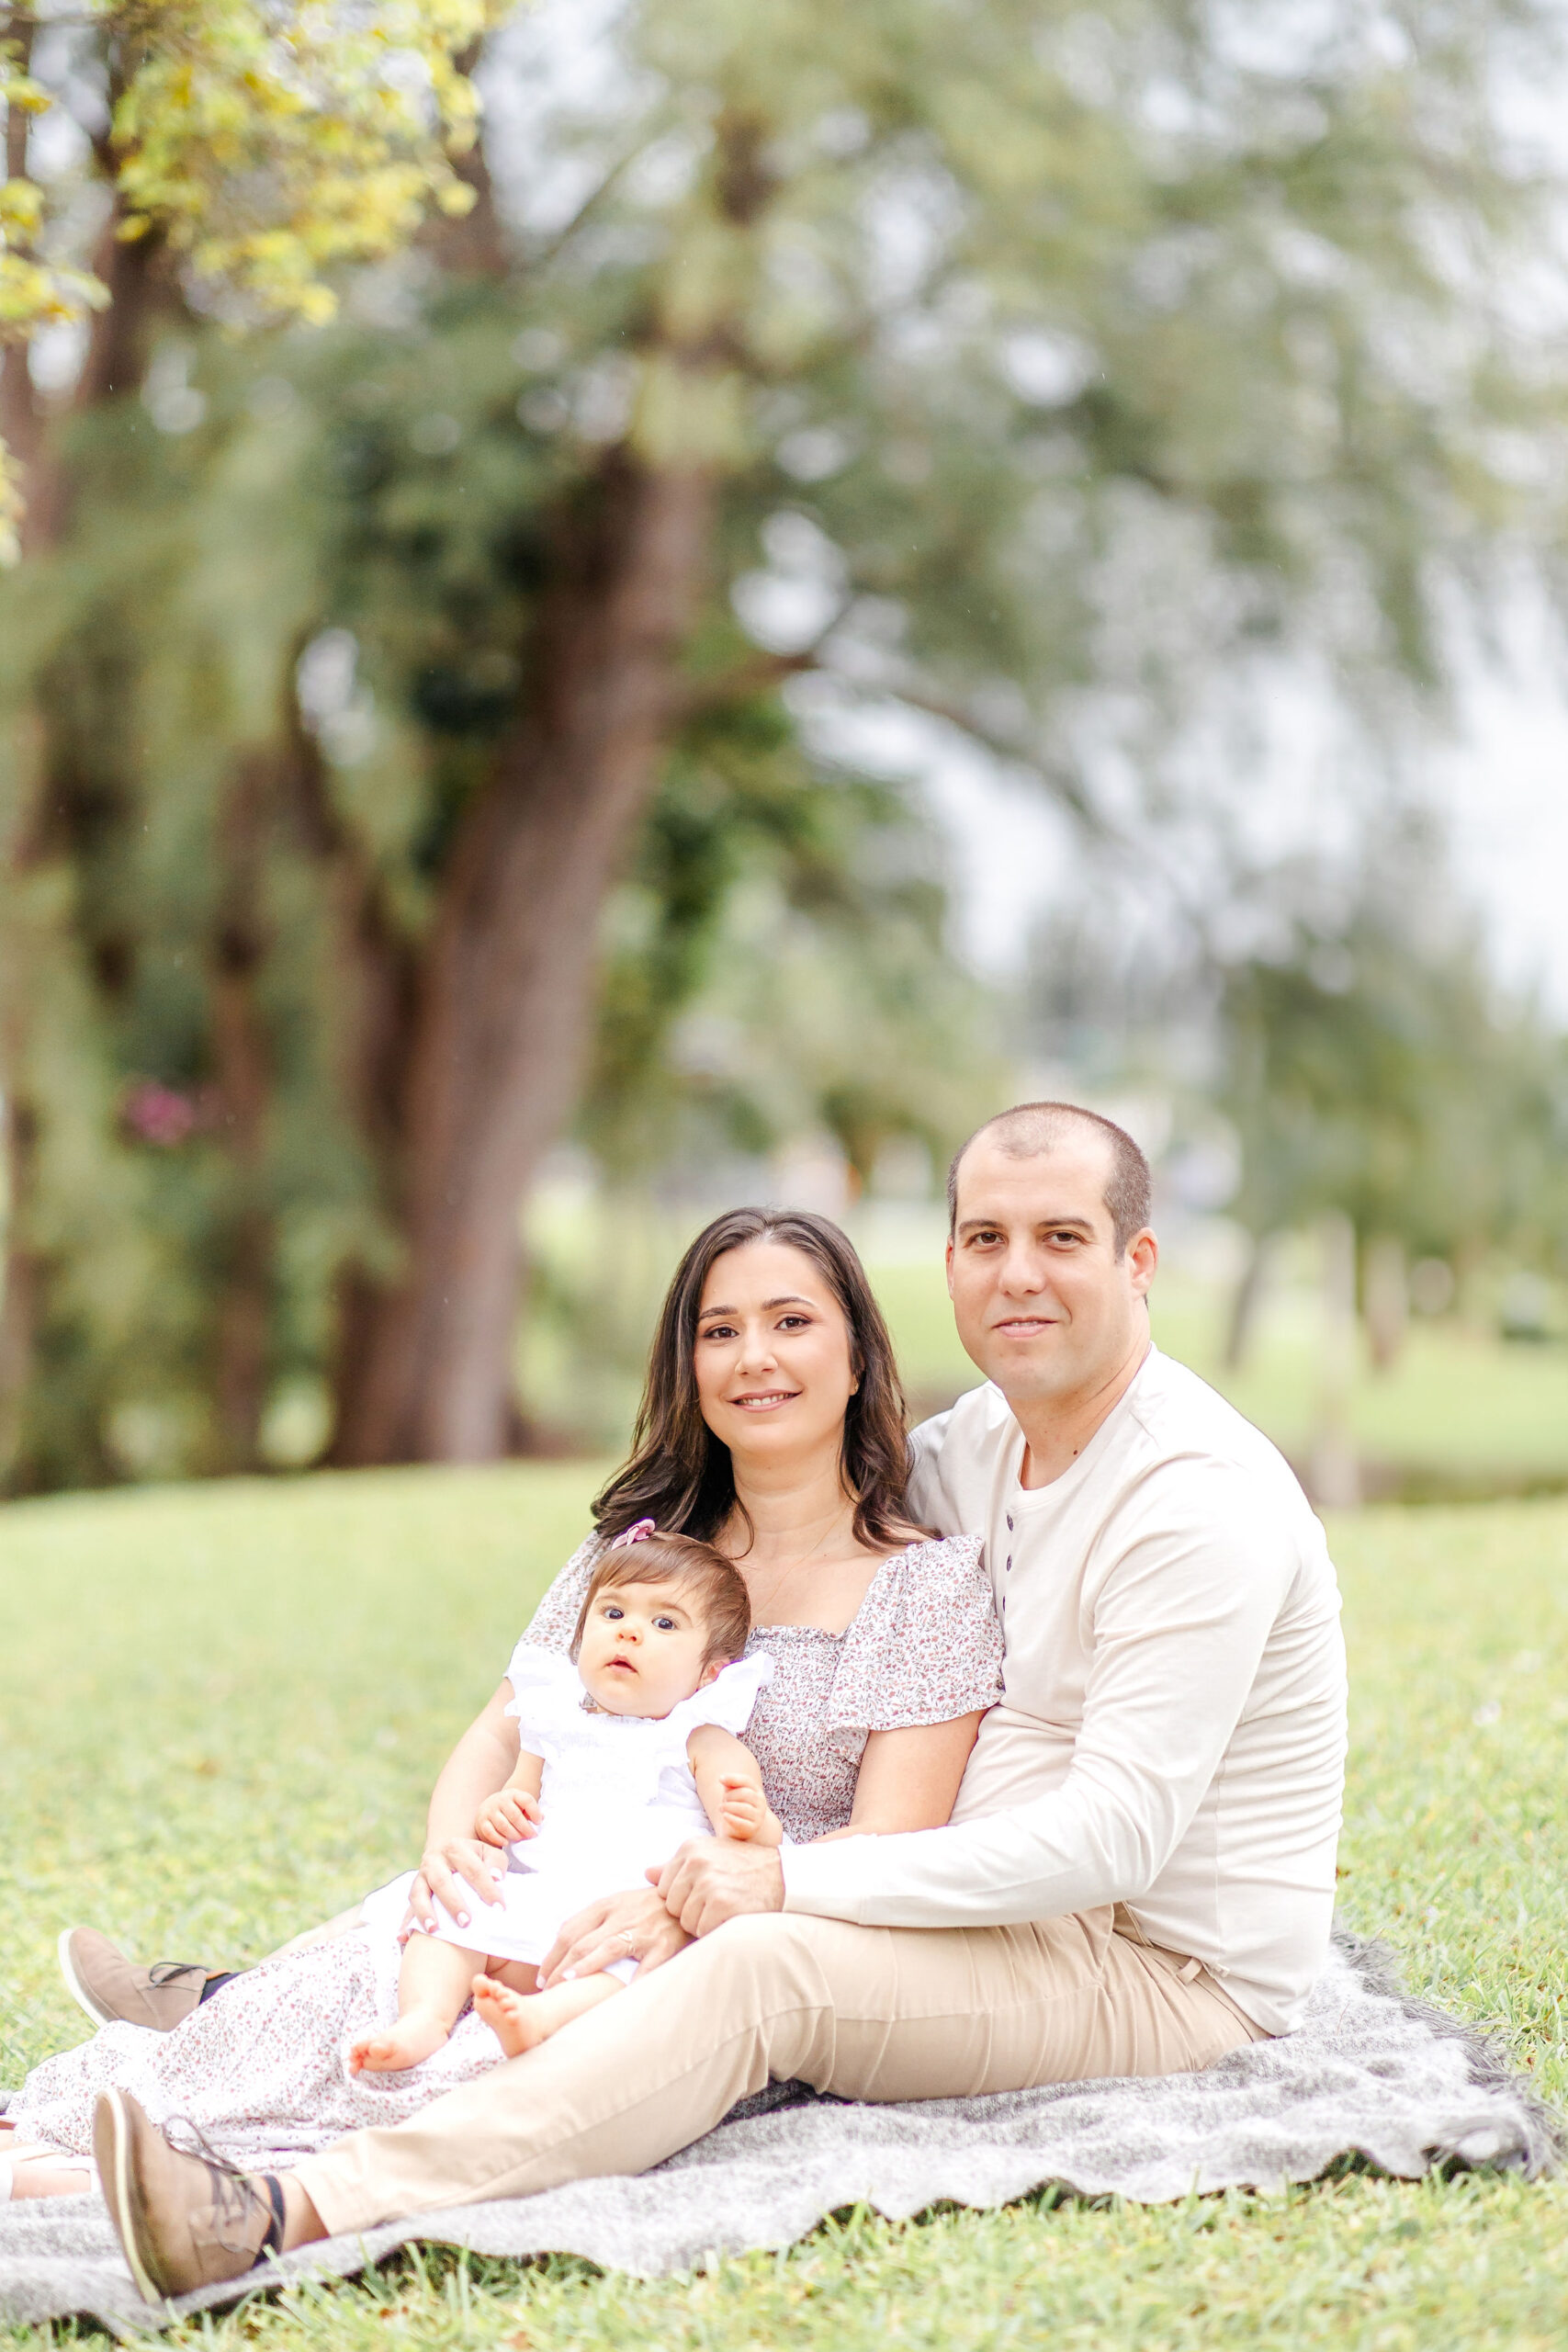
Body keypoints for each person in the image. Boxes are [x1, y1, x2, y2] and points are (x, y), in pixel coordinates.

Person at [1, 1207, 1000, 2235]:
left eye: (791, 1322)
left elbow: (895, 1846)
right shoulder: (638, 1553)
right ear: (687, 1365)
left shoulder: (923, 1586)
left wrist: (701, 1904)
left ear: (857, 1359)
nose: (754, 1358)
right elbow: (501, 1729)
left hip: (699, 1960)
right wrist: (449, 1853)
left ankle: (181, 2196)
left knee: (475, 2067)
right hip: (514, 1897)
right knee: (331, 2006)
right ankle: (93, 2135)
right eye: (718, 1330)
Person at [349, 1526, 783, 2075]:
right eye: (613, 1613)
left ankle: (544, 2018)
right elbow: (512, 1803)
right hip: (541, 1898)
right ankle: (424, 2018)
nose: (629, 1634)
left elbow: (749, 1843)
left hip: (629, 1913)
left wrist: (754, 1821)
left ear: (709, 1672)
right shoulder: (553, 1723)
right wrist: (498, 1815)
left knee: (649, 1965)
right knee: (451, 1909)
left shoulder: (699, 1737)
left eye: (664, 1623)